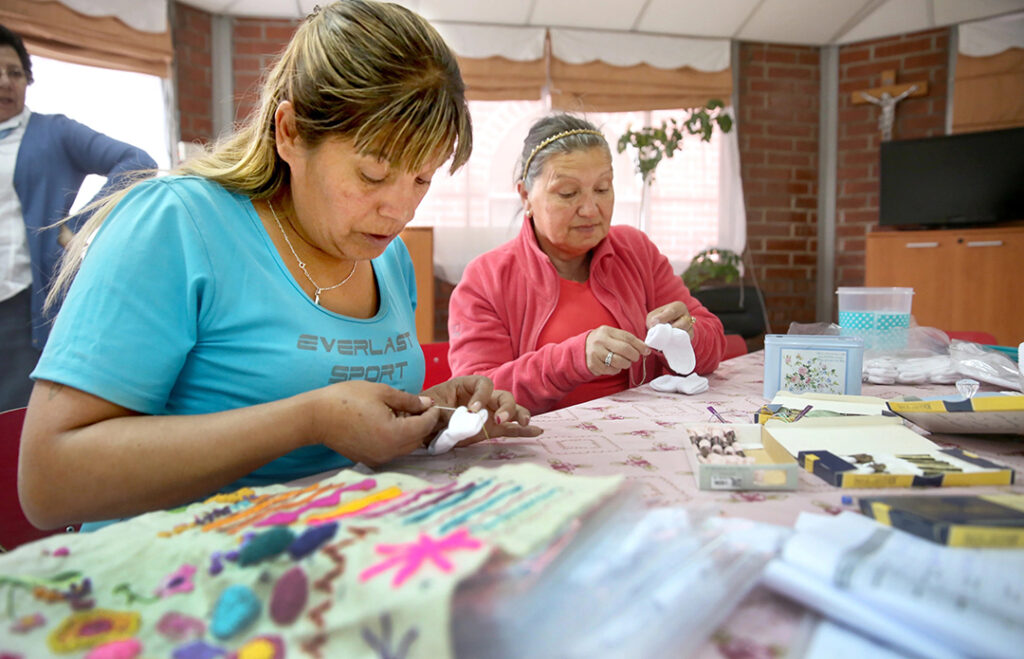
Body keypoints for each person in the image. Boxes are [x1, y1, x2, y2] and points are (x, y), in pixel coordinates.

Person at [19, 0, 540, 531]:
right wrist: (309, 421)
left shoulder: (390, 258)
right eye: (373, 173)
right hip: (179, 576)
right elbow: (49, 481)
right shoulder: (176, 223)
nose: (400, 211)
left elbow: (345, 431)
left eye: (422, 179)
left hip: (330, 561)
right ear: (289, 132)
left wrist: (432, 418)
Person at [448, 113, 727, 414]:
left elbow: (712, 344)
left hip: (646, 434)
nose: (590, 209)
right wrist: (573, 359)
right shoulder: (487, 279)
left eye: (603, 189)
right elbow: (473, 394)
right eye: (568, 193)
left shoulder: (635, 252)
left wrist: (688, 334)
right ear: (526, 196)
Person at [0, 24, 157, 412]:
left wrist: (77, 227)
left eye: (15, 72)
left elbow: (137, 162)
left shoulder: (53, 133)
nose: (5, 81)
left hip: (24, 308)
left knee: (16, 427)